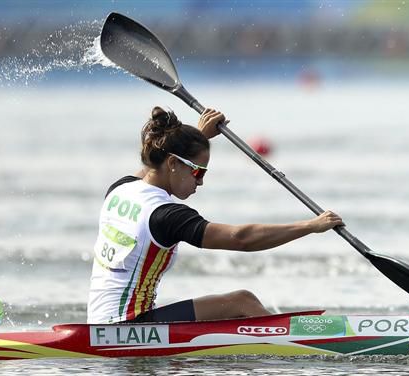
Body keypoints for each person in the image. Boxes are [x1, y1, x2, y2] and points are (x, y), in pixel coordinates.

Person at [87, 107, 344, 324]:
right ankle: (298, 346)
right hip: (128, 328)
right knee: (243, 302)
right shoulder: (166, 215)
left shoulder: (120, 188)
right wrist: (311, 225)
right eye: (198, 172)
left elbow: (154, 164)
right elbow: (241, 239)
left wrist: (197, 137)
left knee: (240, 302)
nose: (200, 183)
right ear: (174, 164)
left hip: (100, 322)